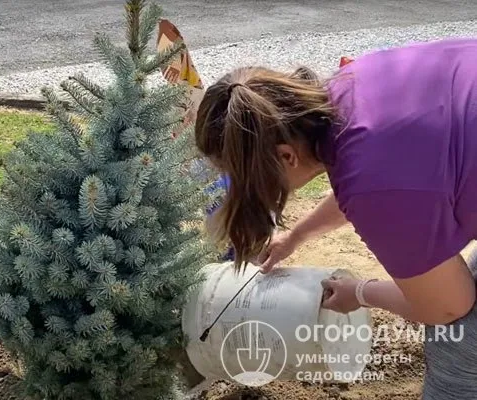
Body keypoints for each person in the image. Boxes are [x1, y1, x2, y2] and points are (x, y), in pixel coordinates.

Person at [194, 38, 477, 399]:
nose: (254, 193)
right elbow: (383, 176)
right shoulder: (353, 85)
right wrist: (297, 236)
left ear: (285, 157)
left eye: (251, 181)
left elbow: (446, 306)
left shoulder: (372, 179)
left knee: (458, 341)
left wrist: (360, 292)